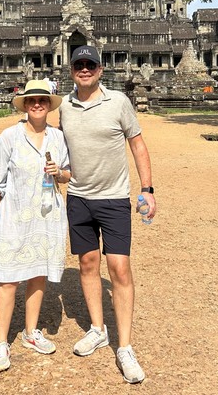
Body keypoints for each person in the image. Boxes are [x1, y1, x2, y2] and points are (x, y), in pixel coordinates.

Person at [59, 45, 157, 384]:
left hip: (114, 198)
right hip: (78, 197)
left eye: (90, 65)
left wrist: (147, 189)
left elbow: (138, 145)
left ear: (100, 69)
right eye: (78, 65)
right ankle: (98, 328)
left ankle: (125, 346)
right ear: (71, 70)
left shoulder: (118, 102)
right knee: (87, 264)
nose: (84, 69)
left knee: (119, 267)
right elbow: (58, 149)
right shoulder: (64, 107)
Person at [0, 79, 71, 373]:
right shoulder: (8, 137)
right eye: (32, 100)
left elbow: (68, 174)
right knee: (8, 280)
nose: (37, 104)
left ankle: (31, 332)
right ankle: (1, 342)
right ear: (25, 104)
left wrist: (59, 172)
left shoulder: (57, 138)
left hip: (46, 216)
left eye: (43, 101)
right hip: (14, 215)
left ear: (49, 106)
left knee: (37, 271)